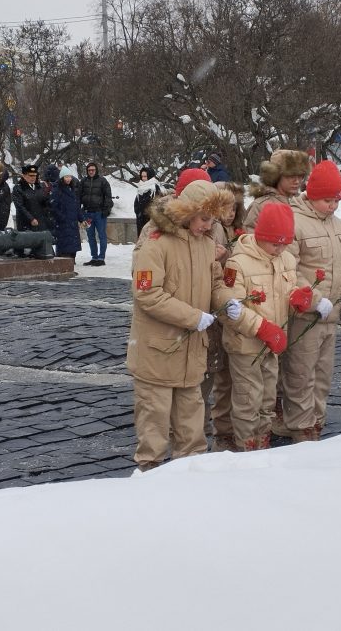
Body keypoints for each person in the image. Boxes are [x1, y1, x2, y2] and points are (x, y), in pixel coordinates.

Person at [126, 178, 233, 470]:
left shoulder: (206, 242)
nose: (208, 226)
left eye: (212, 220)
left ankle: (190, 483)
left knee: (192, 436)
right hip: (158, 353)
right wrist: (193, 317)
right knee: (154, 434)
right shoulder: (155, 242)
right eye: (204, 218)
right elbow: (147, 294)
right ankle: (149, 481)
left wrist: (227, 301)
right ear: (187, 212)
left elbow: (214, 284)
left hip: (191, 355)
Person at [280, 161, 341, 442]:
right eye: (327, 200)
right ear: (312, 196)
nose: (333, 206)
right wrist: (313, 300)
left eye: (336, 200)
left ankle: (317, 423)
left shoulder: (338, 226)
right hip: (305, 317)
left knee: (323, 375)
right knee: (301, 374)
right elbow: (289, 269)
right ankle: (301, 428)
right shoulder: (295, 221)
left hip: (330, 316)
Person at [219, 202, 300, 450]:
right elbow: (231, 309)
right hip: (246, 345)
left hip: (272, 344)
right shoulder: (238, 263)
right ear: (262, 236)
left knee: (266, 399)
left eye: (285, 243)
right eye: (275, 243)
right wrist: (262, 328)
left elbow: (287, 290)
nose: (280, 248)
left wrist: (297, 297)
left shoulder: (285, 258)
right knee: (248, 400)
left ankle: (262, 442)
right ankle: (246, 446)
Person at [207, 181, 245, 452]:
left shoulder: (235, 230)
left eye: (234, 208)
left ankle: (227, 428)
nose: (230, 213)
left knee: (229, 375)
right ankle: (221, 429)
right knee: (218, 374)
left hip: (232, 303)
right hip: (215, 306)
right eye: (225, 208)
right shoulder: (213, 229)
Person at [243, 148, 310, 231]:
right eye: (291, 176)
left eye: (300, 176)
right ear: (276, 176)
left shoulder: (301, 204)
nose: (297, 181)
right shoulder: (261, 206)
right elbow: (250, 240)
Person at [12, 164, 53, 257]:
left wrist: (49, 201)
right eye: (30, 175)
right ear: (24, 175)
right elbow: (20, 207)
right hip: (26, 225)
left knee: (44, 252)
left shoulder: (39, 187)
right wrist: (31, 219)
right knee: (28, 253)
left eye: (35, 175)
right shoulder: (18, 188)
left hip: (40, 224)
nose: (33, 178)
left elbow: (44, 202)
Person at [79, 162, 112, 267]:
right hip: (87, 213)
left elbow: (108, 196)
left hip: (99, 213)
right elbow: (79, 196)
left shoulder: (103, 181)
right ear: (87, 171)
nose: (91, 172)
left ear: (96, 170)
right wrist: (79, 211)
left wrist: (106, 210)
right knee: (90, 236)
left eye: (93, 170)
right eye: (89, 170)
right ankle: (94, 257)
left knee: (102, 235)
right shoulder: (83, 181)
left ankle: (101, 257)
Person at [51, 166, 82, 260]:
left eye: (70, 176)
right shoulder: (57, 190)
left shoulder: (72, 189)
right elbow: (54, 206)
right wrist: (62, 218)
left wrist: (82, 218)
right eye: (66, 177)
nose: (68, 179)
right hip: (63, 223)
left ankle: (71, 262)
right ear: (62, 178)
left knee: (72, 247)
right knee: (64, 247)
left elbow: (76, 206)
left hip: (72, 222)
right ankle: (65, 264)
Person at [133, 167, 164, 236]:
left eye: (145, 176)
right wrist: (138, 211)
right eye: (142, 176)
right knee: (141, 238)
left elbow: (156, 202)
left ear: (150, 176)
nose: (143, 178)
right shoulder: (141, 187)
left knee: (149, 239)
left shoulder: (154, 187)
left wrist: (146, 212)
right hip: (141, 218)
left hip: (150, 218)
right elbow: (137, 201)